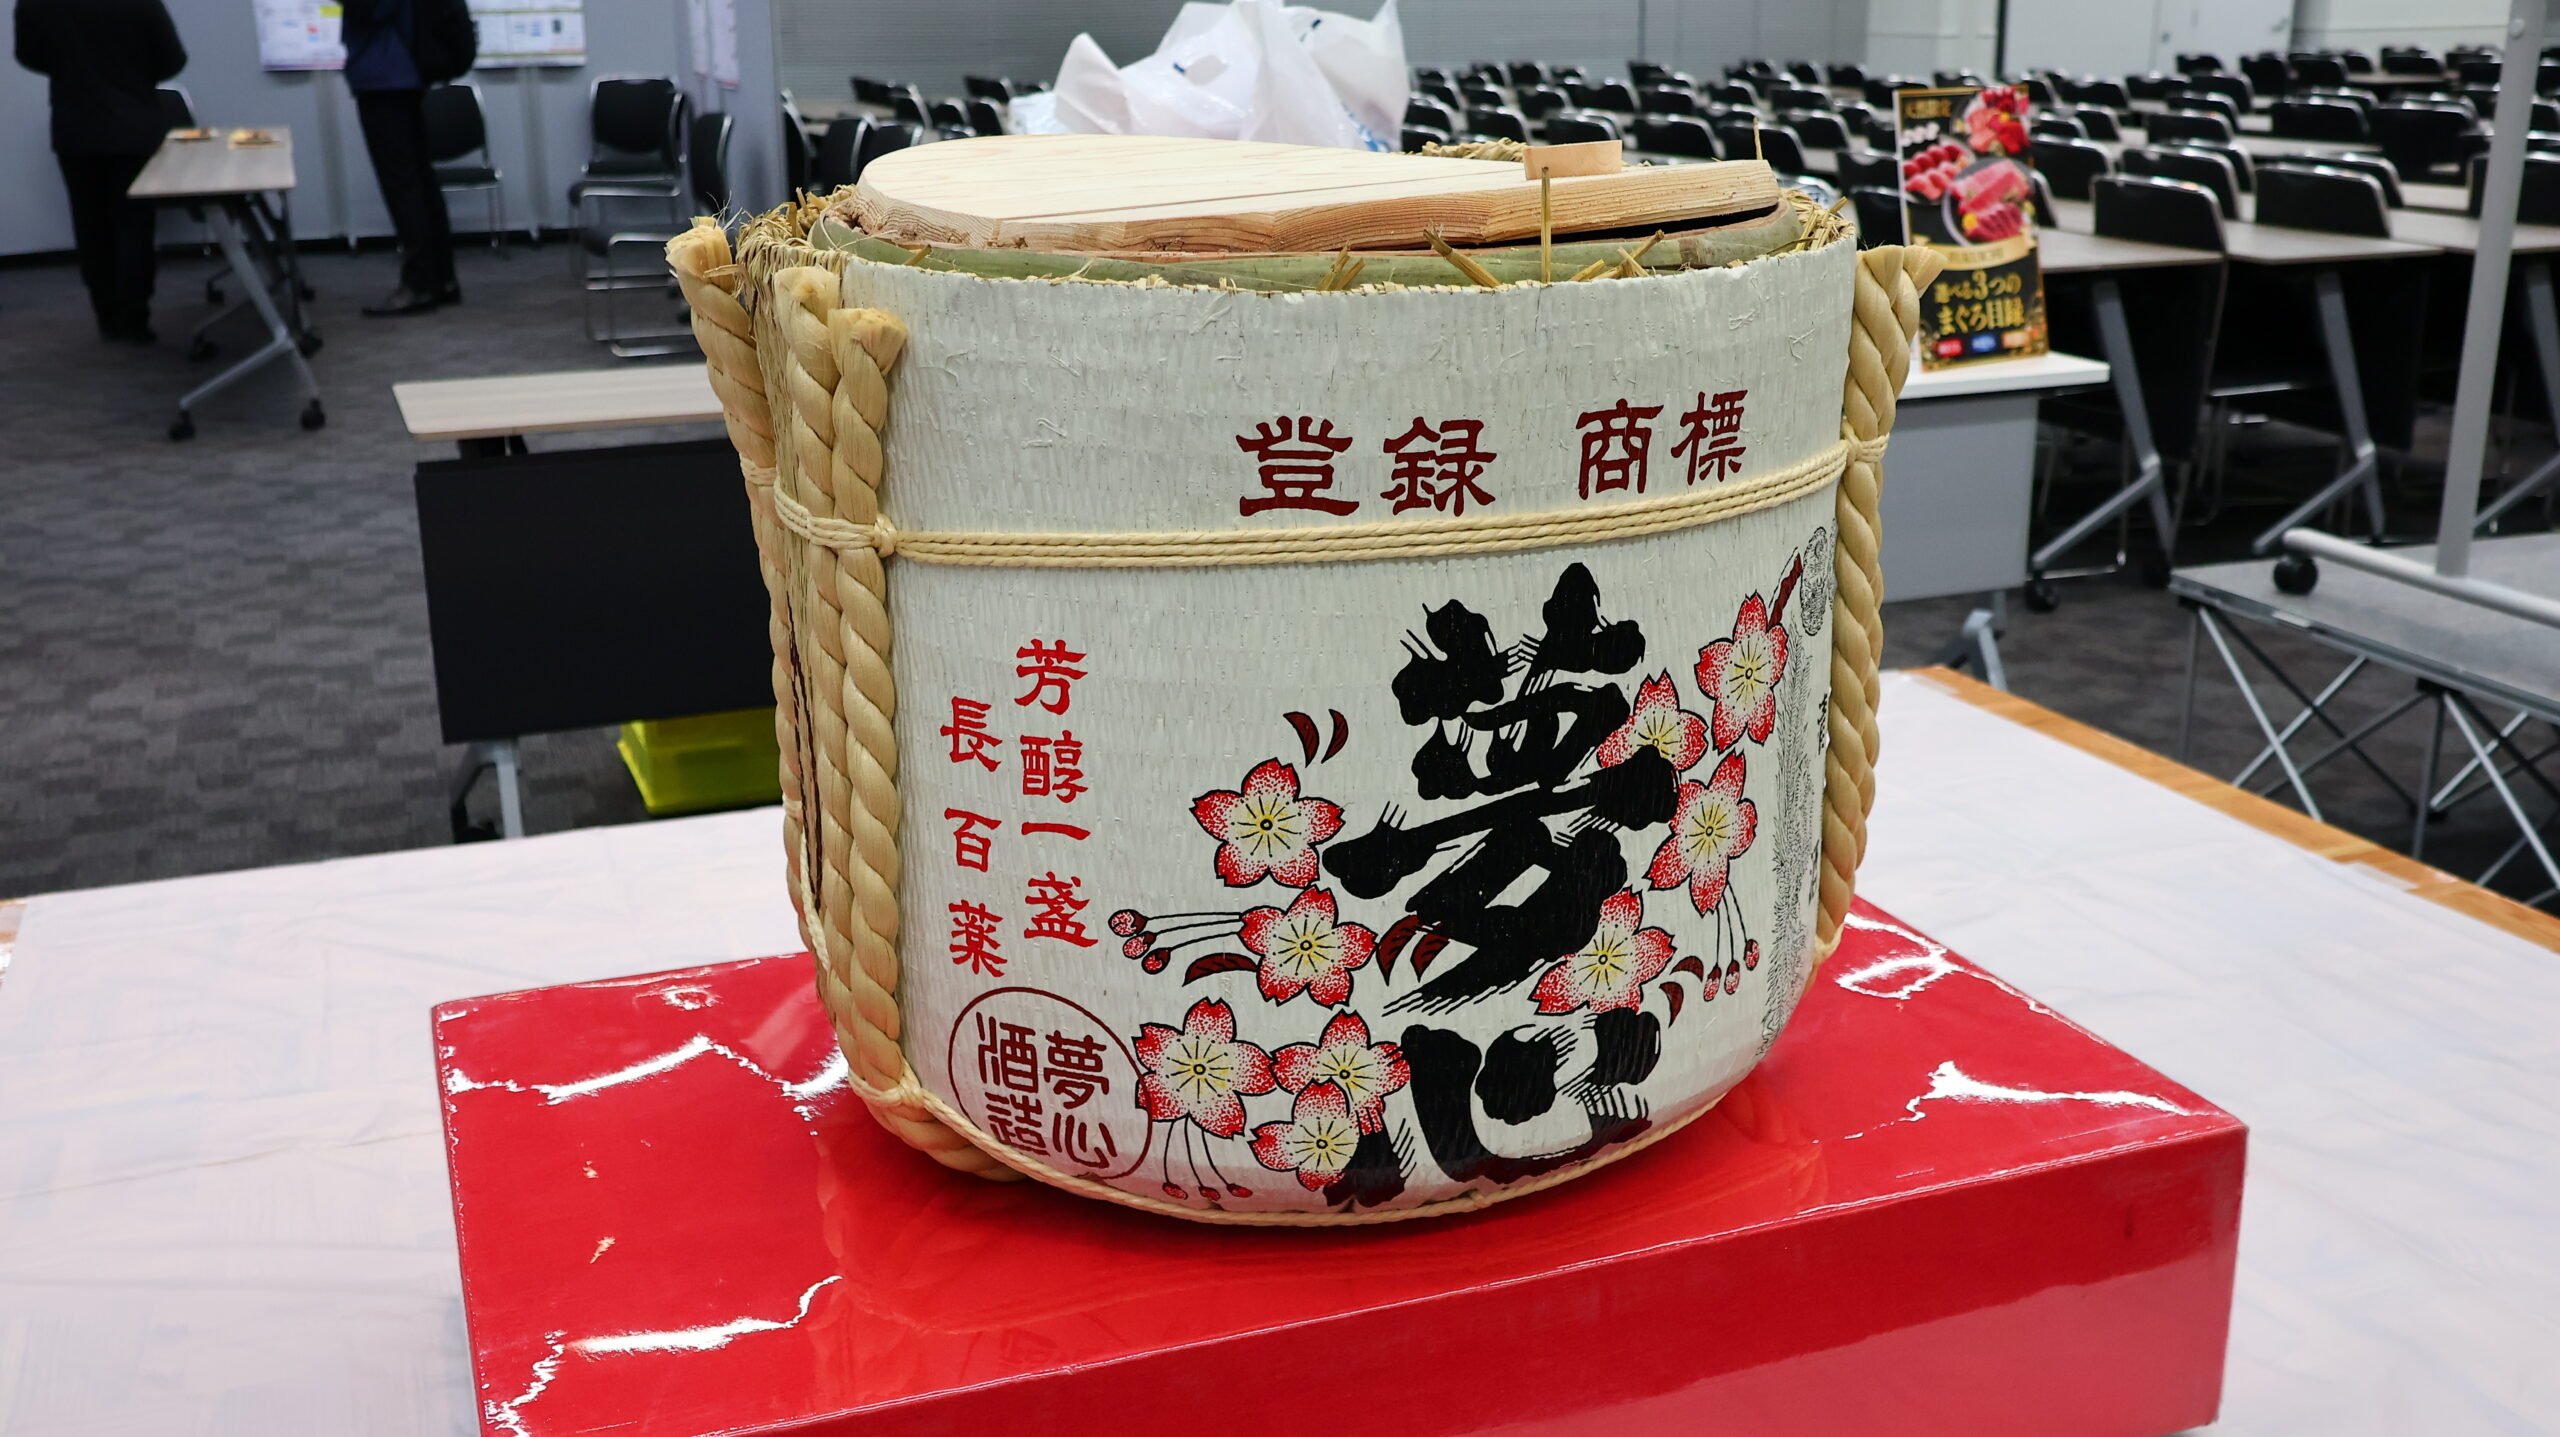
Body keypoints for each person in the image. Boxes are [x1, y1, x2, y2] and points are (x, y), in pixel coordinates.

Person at [14, 0, 188, 344]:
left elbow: (28, 55)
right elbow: (173, 59)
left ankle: (107, 314)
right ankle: (135, 318)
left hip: (75, 126)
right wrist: (135, 76)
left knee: (90, 223)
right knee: (134, 223)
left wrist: (70, 69)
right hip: (133, 126)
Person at [340, 0, 458, 316]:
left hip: (384, 78)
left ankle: (418, 285)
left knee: (403, 186)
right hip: (404, 74)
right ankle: (442, 279)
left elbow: (368, 9)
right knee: (420, 181)